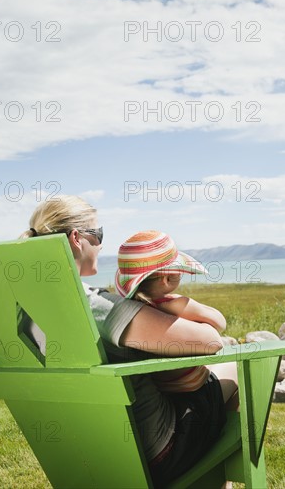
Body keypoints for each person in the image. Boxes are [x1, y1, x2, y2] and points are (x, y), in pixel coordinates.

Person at [20, 196, 239, 488]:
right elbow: (211, 341)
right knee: (235, 367)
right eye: (98, 236)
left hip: (87, 454)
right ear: (76, 239)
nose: (101, 245)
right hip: (156, 454)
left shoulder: (29, 312)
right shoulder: (97, 307)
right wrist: (171, 303)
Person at [115, 230, 227, 394]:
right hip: (195, 389)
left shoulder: (135, 309)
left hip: (163, 390)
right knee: (233, 371)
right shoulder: (174, 303)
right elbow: (220, 322)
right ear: (167, 279)